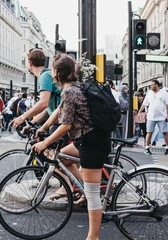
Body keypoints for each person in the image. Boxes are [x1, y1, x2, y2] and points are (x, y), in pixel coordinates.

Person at [32, 54, 110, 240]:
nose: (51, 73)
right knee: (62, 158)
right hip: (86, 140)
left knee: (92, 195)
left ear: (59, 73)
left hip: (92, 143)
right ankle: (86, 184)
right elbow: (59, 110)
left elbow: (65, 125)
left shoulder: (70, 91)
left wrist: (45, 142)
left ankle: (93, 237)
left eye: (52, 70)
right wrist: (42, 128)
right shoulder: (75, 87)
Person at [11, 49, 61, 131]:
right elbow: (47, 109)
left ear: (30, 63)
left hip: (60, 122)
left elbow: (43, 103)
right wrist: (32, 124)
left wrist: (22, 117)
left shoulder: (44, 76)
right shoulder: (47, 74)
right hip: (58, 120)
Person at [138, 80, 168, 155]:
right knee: (149, 132)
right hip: (151, 116)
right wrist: (139, 112)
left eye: (152, 85)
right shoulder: (149, 93)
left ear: (156, 85)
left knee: (165, 132)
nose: (151, 87)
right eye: (150, 86)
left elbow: (167, 104)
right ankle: (147, 147)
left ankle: (167, 148)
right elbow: (145, 103)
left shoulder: (163, 93)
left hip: (161, 116)